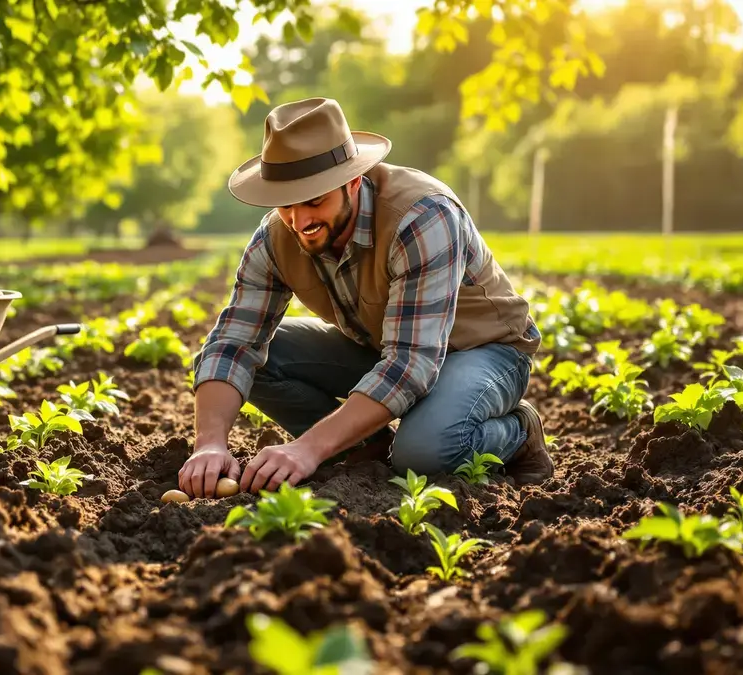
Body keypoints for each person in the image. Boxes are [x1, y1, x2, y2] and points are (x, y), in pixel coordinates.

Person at [179, 97, 554, 499]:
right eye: (286, 203)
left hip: (483, 351)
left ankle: (518, 431)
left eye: (314, 201)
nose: (299, 221)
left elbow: (411, 365)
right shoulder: (275, 237)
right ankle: (365, 448)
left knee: (425, 454)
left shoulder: (423, 216)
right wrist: (210, 443)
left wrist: (307, 449)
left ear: (353, 182)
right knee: (249, 360)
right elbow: (234, 343)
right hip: (384, 348)